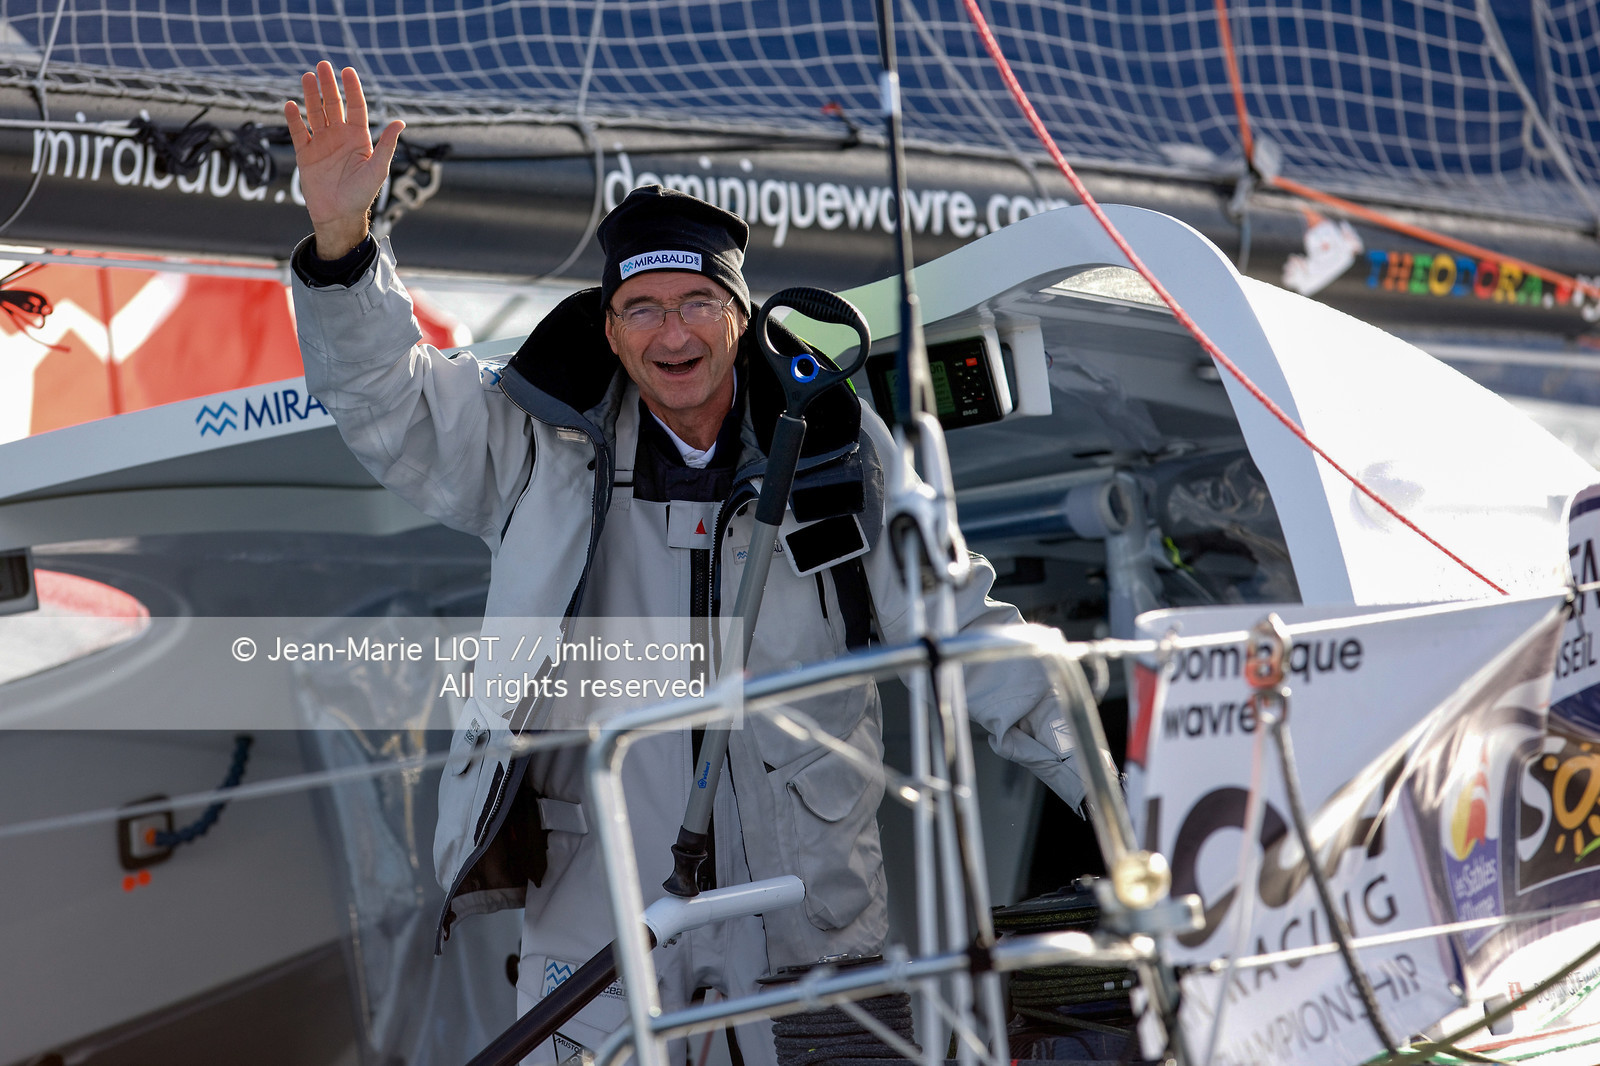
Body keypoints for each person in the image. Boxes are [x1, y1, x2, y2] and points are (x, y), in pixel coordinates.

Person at [286, 62, 1087, 1066]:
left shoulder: (843, 452)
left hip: (809, 920)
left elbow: (962, 632)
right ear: (610, 333)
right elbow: (384, 403)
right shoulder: (540, 449)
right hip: (599, 912)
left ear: (739, 314)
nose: (673, 332)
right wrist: (343, 244)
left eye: (698, 302)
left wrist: (1113, 781)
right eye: (644, 309)